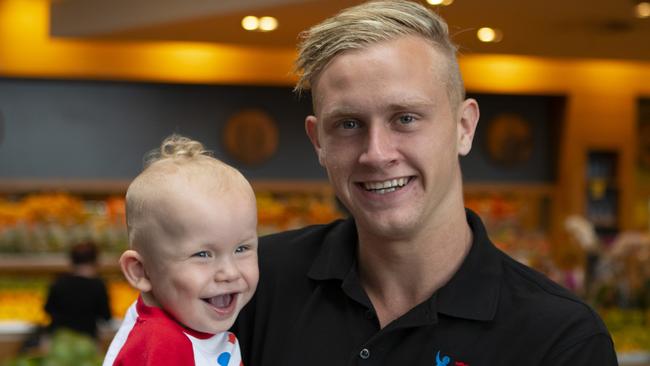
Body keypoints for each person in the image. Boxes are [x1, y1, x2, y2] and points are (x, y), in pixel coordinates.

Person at [232, 1, 618, 365]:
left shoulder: (560, 338)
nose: (376, 154)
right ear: (319, 142)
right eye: (348, 124)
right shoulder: (249, 282)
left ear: (463, 128)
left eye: (405, 118)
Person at [102, 134, 259, 366]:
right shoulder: (163, 345)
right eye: (203, 254)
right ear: (141, 271)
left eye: (242, 248)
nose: (230, 272)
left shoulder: (186, 326)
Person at [45, 241, 111, 339]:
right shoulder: (98, 285)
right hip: (87, 339)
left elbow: (48, 309)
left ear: (72, 261)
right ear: (95, 261)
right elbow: (106, 316)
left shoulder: (59, 283)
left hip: (60, 339)